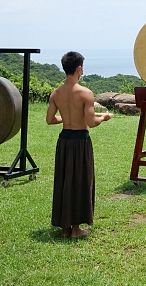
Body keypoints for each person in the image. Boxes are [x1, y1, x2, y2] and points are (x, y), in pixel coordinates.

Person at [46, 51, 111, 239]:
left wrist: (66, 117)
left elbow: (50, 120)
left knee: (65, 181)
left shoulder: (56, 93)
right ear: (79, 69)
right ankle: (76, 229)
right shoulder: (85, 93)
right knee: (81, 180)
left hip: (64, 140)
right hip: (81, 141)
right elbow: (91, 122)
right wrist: (104, 118)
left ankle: (65, 228)